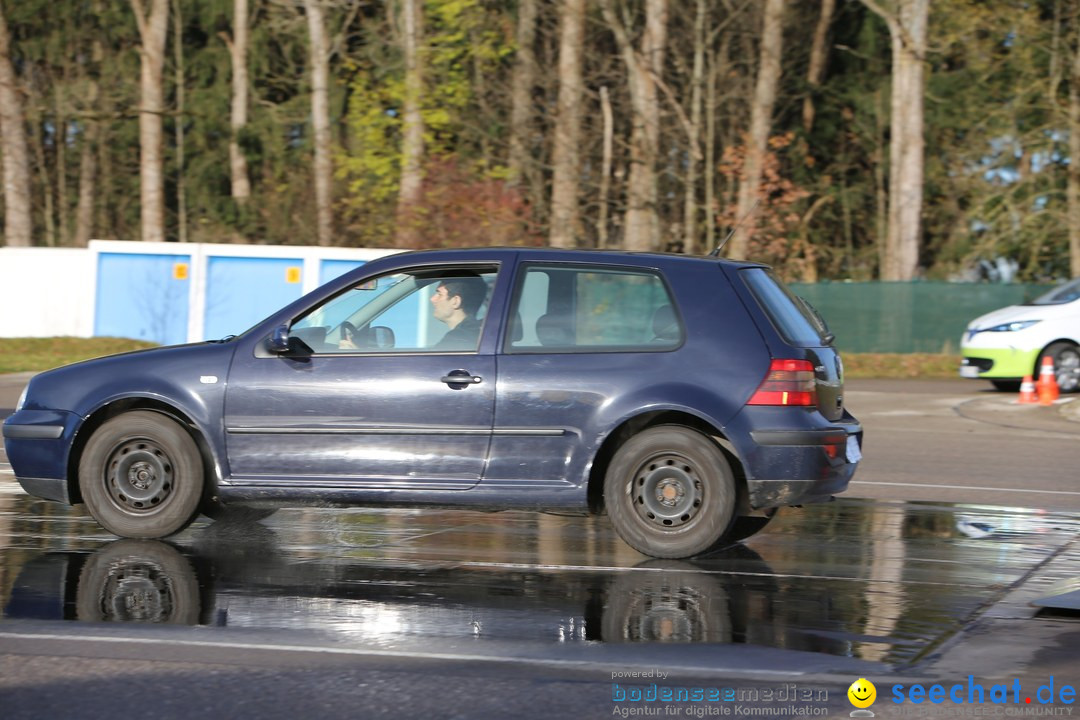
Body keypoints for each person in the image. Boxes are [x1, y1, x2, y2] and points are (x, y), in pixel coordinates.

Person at [431, 276, 487, 350]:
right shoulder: (483, 333)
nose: (432, 299)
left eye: (440, 294)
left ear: (456, 301)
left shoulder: (455, 340)